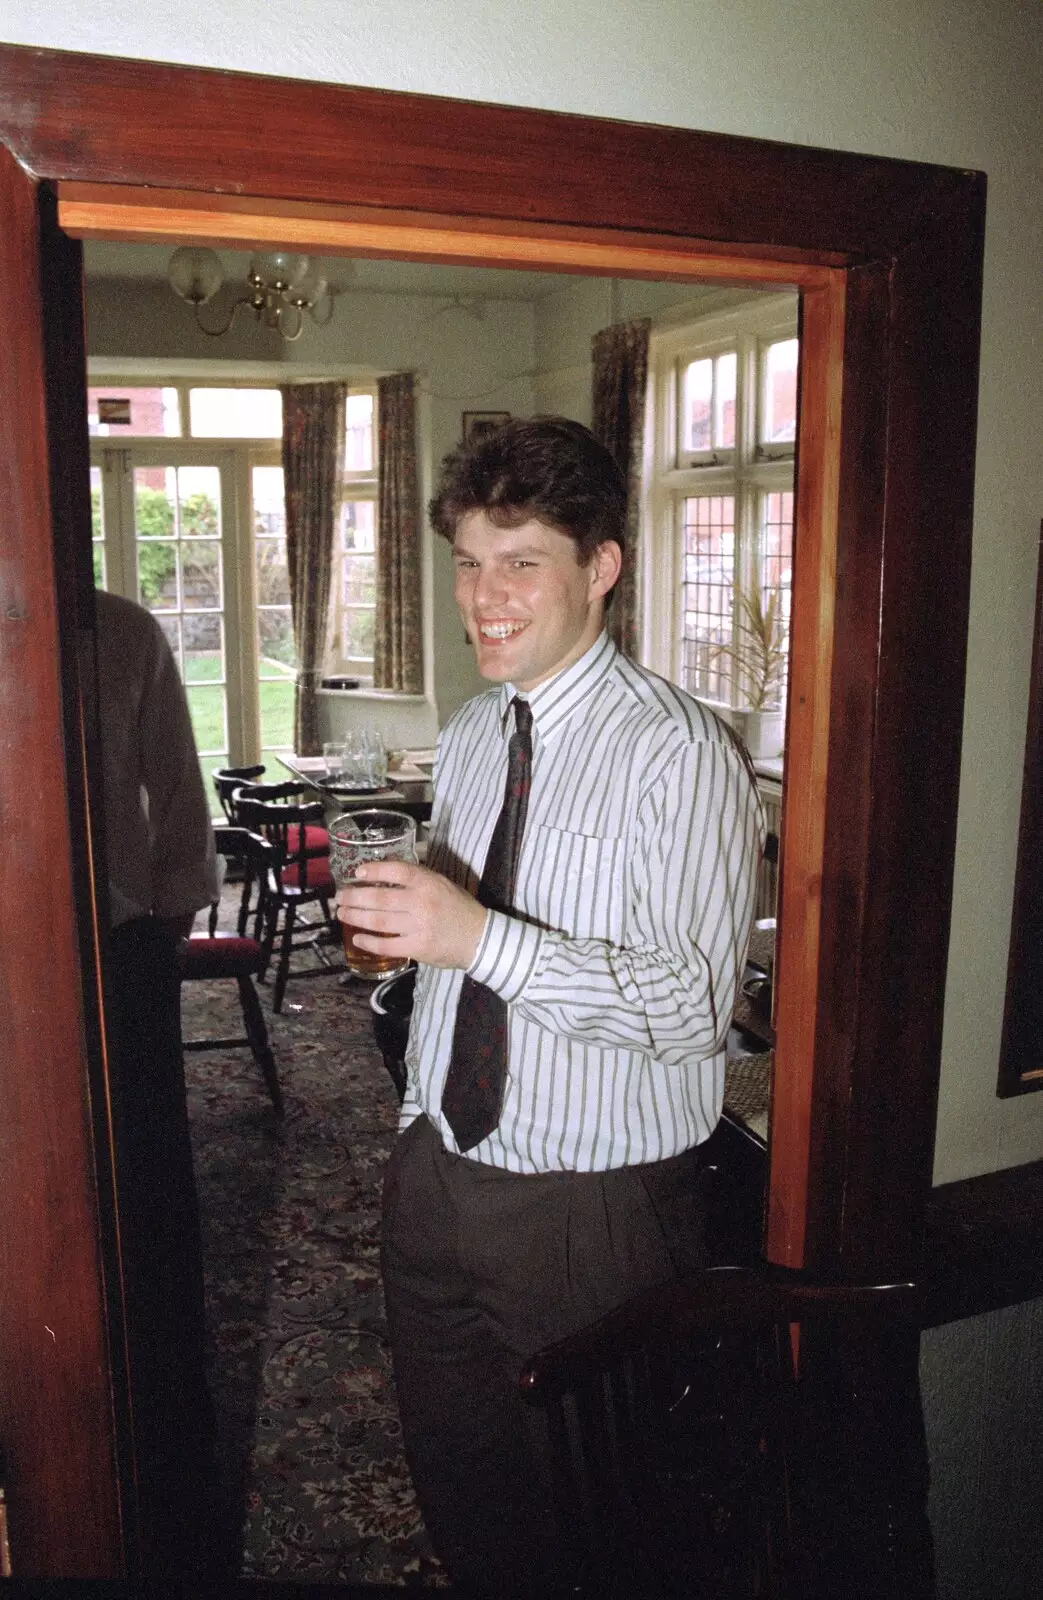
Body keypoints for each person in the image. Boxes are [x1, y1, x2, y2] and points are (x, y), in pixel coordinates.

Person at [336, 417, 765, 1597]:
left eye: (520, 560)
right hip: (436, 1172)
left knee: (607, 1534)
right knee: (468, 1499)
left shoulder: (680, 755)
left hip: (594, 1215)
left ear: (601, 568)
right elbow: (464, 955)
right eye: (469, 561)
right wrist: (405, 959)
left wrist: (468, 933)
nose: (484, 595)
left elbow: (688, 1007)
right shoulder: (476, 732)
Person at [93, 588, 220, 1576]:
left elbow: (180, 793)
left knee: (150, 1193)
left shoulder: (123, 632)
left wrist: (168, 924)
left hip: (121, 945)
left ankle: (167, 1454)